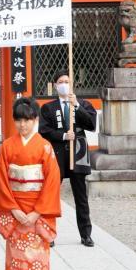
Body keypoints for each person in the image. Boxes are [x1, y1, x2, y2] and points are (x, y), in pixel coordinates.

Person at [0, 97, 62, 270]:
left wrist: (36, 213)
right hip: (15, 213)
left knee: (37, 264)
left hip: (36, 214)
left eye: (27, 120)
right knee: (18, 264)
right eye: (19, 120)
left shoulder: (44, 147)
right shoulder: (7, 147)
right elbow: (2, 180)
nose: (23, 125)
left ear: (35, 120)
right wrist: (13, 209)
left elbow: (52, 182)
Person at [38, 71, 96, 246]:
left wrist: (76, 105)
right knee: (51, 194)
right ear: (55, 85)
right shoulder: (49, 108)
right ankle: (49, 233)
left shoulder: (83, 104)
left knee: (81, 197)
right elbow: (44, 130)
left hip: (77, 153)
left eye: (67, 81)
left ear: (72, 84)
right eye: (61, 82)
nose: (64, 84)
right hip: (57, 154)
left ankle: (86, 234)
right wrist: (63, 136)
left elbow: (91, 125)